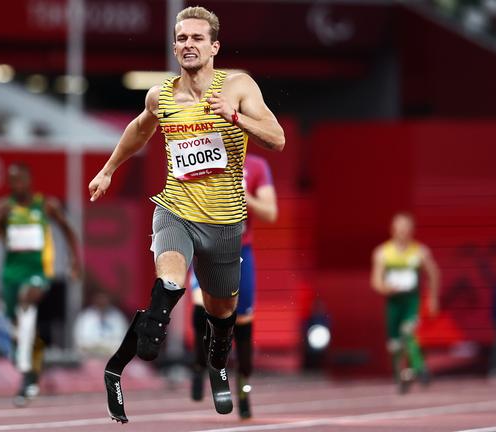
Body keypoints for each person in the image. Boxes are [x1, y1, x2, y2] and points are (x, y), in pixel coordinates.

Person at [89, 5, 285, 422]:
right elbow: (139, 129)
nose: (188, 45)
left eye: (197, 38)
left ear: (214, 46)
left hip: (227, 223)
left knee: (222, 316)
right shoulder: (161, 95)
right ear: (174, 46)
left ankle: (216, 366)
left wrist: (234, 117)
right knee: (170, 281)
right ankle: (123, 363)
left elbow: (277, 138)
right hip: (176, 211)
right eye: (181, 38)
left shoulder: (237, 85)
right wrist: (108, 170)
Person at [188, 153, 277, 419]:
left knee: (242, 326)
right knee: (201, 308)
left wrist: (243, 195)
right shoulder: (202, 155)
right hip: (208, 247)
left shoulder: (256, 166)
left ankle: (244, 390)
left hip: (241, 251)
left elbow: (270, 212)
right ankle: (199, 364)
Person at [0, 162, 81, 407]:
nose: (16, 185)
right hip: (11, 272)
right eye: (12, 180)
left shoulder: (46, 205)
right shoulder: (3, 206)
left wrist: (73, 261)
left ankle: (26, 369)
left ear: (29, 180)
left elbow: (68, 230)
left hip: (38, 269)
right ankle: (28, 372)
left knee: (27, 301)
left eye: (20, 179)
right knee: (18, 326)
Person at [371, 213, 440, 394]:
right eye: (399, 228)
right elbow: (376, 281)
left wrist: (433, 298)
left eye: (406, 228)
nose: (402, 232)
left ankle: (420, 368)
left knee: (408, 332)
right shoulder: (382, 253)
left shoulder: (419, 251)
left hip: (411, 301)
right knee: (395, 345)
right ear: (393, 230)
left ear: (412, 230)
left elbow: (433, 274)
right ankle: (401, 376)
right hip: (394, 303)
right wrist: (385, 287)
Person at [74, 290, 128, 358]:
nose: (102, 301)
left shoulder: (117, 317)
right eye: (99, 298)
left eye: (104, 298)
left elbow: (122, 340)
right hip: (90, 358)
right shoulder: (85, 316)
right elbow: (81, 341)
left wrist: (105, 348)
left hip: (111, 358)